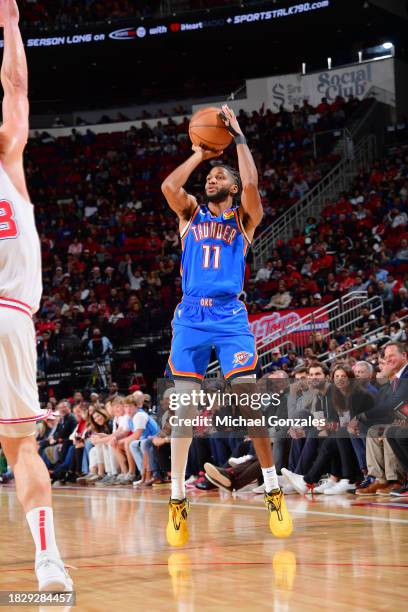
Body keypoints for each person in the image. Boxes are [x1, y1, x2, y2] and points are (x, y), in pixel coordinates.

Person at [161, 104, 292, 546]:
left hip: (230, 315)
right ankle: (178, 497)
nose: (211, 180)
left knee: (248, 398)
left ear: (232, 187)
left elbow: (252, 182)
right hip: (191, 316)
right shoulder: (191, 214)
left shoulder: (244, 219)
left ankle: (272, 487)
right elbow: (169, 185)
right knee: (182, 406)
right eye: (209, 178)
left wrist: (236, 137)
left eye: (219, 177)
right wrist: (200, 153)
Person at [0, 1, 72, 591]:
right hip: (10, 318)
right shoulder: (9, 155)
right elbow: (17, 83)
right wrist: (11, 27)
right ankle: (48, 561)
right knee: (21, 447)